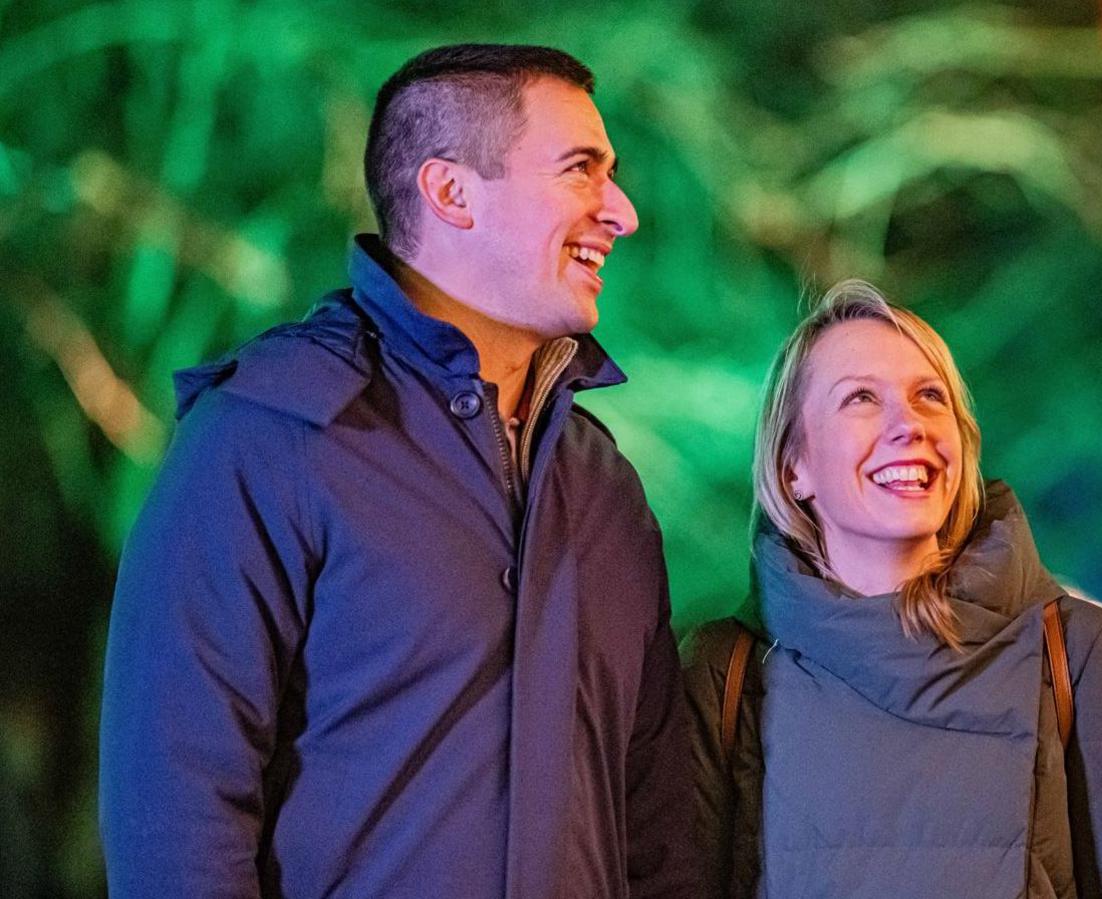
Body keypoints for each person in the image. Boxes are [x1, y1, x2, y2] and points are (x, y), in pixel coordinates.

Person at [99, 44, 693, 898]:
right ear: (451, 193)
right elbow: (175, 817)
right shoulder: (270, 437)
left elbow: (659, 828)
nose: (623, 212)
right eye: (581, 171)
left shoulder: (605, 486)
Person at [681, 280, 1102, 898]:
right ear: (793, 465)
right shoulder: (726, 674)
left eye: (931, 397)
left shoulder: (1079, 652)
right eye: (862, 399)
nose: (909, 425)